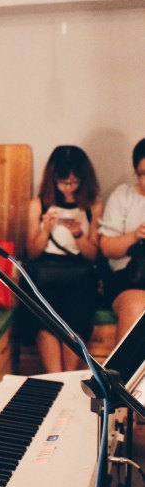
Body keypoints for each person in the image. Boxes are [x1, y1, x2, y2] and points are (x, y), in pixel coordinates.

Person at [23, 145, 102, 373]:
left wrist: (78, 234)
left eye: (75, 182)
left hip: (80, 274)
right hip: (45, 273)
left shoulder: (93, 205)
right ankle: (56, 378)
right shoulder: (39, 204)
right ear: (53, 179)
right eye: (63, 182)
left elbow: (93, 255)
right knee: (45, 323)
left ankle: (69, 379)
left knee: (76, 323)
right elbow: (32, 253)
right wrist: (46, 229)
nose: (69, 187)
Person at [99, 138, 145, 342]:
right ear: (135, 172)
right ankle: (125, 364)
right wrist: (135, 235)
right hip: (129, 278)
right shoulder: (123, 196)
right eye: (143, 174)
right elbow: (107, 248)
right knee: (135, 305)